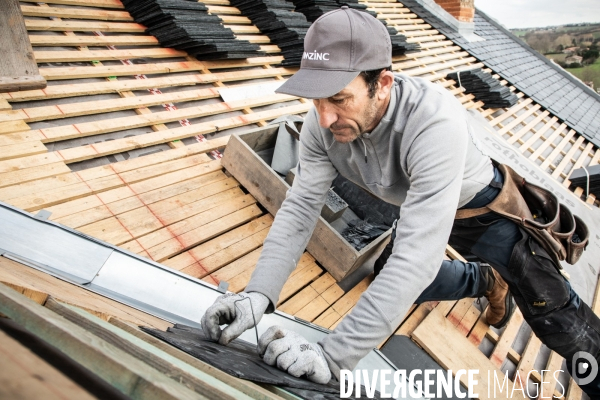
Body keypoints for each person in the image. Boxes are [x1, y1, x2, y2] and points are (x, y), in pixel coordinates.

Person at [201, 7, 600, 396]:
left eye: (340, 99)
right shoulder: (321, 125)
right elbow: (301, 207)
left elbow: (417, 257)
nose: (324, 118)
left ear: (384, 84)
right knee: (390, 273)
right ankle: (485, 280)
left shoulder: (433, 122)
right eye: (317, 100)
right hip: (418, 210)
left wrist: (334, 357)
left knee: (556, 317)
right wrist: (259, 294)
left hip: (485, 213)